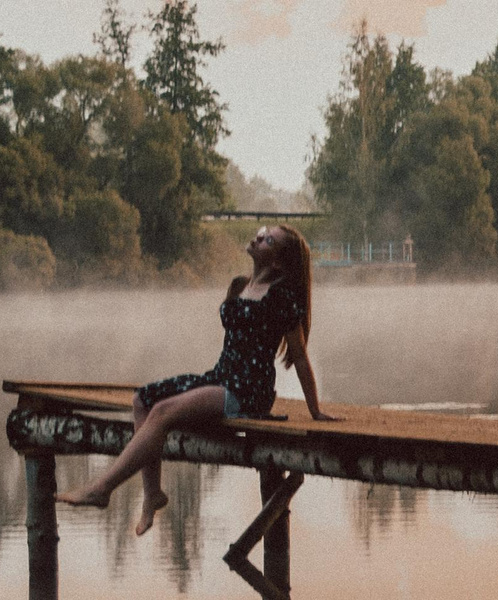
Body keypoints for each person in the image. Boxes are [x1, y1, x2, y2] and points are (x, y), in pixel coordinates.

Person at [57, 223, 334, 534]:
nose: (258, 237)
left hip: (248, 390)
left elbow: (299, 357)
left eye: (268, 239)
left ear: (279, 262)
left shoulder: (281, 298)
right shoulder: (239, 285)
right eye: (262, 231)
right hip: (221, 377)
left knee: (163, 412)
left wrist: (315, 409)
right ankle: (152, 495)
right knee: (142, 399)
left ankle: (101, 489)